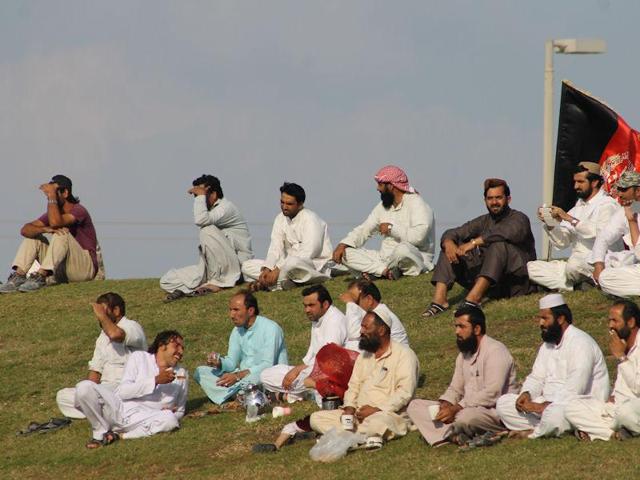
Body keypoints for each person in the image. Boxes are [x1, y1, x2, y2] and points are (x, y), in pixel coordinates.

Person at [496, 294, 609, 439]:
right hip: (545, 406)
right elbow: (537, 377)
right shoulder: (547, 346)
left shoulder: (581, 343)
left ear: (560, 319)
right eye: (540, 318)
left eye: (545, 318)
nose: (540, 323)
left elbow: (575, 389)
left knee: (554, 414)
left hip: (576, 405)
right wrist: (526, 394)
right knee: (504, 404)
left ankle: (532, 433)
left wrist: (542, 407)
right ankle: (544, 429)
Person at [422, 178, 536, 317]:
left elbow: (503, 233)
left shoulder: (519, 218)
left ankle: (473, 300)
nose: (494, 202)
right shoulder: (483, 221)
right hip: (492, 284)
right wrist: (448, 243)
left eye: (498, 198)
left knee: (498, 246)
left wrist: (473, 243)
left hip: (514, 283)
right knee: (451, 246)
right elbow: (455, 232)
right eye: (490, 198)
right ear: (485, 200)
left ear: (508, 199)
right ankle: (439, 301)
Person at [407, 306, 517, 446]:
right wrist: (446, 404)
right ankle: (453, 436)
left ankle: (450, 433)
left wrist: (457, 408)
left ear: (477, 329)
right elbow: (455, 388)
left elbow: (493, 393)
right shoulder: (463, 355)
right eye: (456, 326)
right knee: (415, 406)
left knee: (466, 418)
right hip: (463, 408)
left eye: (461, 327)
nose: (457, 331)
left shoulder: (495, 351)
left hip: (492, 412)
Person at [309, 311, 419, 449]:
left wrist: (376, 409)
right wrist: (349, 408)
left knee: (378, 423)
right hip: (358, 416)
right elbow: (353, 386)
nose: (361, 331)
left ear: (381, 330)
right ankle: (358, 437)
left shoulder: (405, 355)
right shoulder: (364, 356)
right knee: (315, 418)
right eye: (362, 327)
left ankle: (345, 437)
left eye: (366, 327)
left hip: (387, 414)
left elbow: (405, 392)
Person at [75, 330, 188, 448]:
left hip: (145, 418)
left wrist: (169, 412)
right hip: (119, 409)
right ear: (161, 345)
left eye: (182, 348)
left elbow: (180, 411)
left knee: (170, 420)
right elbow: (123, 392)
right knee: (84, 387)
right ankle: (100, 432)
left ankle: (120, 436)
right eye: (176, 346)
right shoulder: (139, 358)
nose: (180, 352)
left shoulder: (181, 374)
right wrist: (155, 381)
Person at [527, 162, 621, 291]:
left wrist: (569, 219)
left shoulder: (607, 205)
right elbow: (562, 242)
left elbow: (601, 234)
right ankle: (577, 285)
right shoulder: (577, 208)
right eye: (575, 182)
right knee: (532, 267)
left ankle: (576, 282)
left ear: (594, 183)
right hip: (577, 263)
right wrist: (550, 223)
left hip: (602, 261)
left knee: (574, 266)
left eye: (581, 182)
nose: (576, 186)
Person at [0, 175, 101, 293]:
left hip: (84, 269)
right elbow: (25, 230)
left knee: (62, 233)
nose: (49, 196)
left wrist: (52, 196)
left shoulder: (79, 210)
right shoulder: (53, 213)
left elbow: (56, 223)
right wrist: (44, 229)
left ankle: (41, 276)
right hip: (62, 270)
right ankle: (18, 276)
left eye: (54, 192)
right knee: (33, 236)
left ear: (65, 193)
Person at [160, 174, 253, 302]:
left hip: (235, 265)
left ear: (213, 194)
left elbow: (201, 220)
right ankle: (195, 289)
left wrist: (200, 197)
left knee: (206, 229)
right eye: (196, 196)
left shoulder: (226, 208)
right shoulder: (210, 211)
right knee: (167, 280)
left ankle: (216, 284)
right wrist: (201, 196)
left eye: (201, 195)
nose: (197, 199)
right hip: (212, 268)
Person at [332, 165, 435, 280]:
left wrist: (391, 229)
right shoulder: (383, 207)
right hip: (385, 259)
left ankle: (377, 272)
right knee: (346, 254)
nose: (377, 188)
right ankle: (385, 272)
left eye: (380, 184)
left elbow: (418, 237)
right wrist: (343, 244)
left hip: (415, 256)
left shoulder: (417, 204)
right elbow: (364, 229)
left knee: (402, 250)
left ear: (391, 186)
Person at [56, 293, 147, 419]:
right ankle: (102, 410)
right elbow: (95, 372)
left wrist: (101, 315)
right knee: (63, 396)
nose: (99, 317)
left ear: (116, 310)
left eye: (103, 311)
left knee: (98, 397)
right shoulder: (101, 338)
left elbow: (116, 335)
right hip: (104, 391)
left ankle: (102, 411)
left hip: (126, 388)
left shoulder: (132, 326)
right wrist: (86, 392)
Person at [193, 291, 288, 404]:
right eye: (230, 310)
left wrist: (238, 376)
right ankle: (243, 395)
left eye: (236, 310)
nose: (231, 315)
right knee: (201, 372)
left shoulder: (271, 328)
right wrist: (219, 363)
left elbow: (268, 364)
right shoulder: (237, 331)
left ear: (251, 311)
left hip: (265, 375)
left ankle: (240, 395)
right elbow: (232, 362)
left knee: (255, 378)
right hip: (242, 376)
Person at [565, 300, 640, 441]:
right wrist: (613, 397)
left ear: (630, 322)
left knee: (626, 412)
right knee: (572, 406)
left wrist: (622, 358)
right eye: (609, 321)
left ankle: (596, 430)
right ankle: (613, 434)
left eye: (615, 321)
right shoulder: (624, 345)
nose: (610, 326)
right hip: (617, 407)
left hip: (633, 407)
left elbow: (638, 388)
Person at [260, 284, 348, 402]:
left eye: (311, 305)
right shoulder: (318, 317)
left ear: (325, 304)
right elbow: (312, 355)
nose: (307, 310)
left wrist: (297, 370)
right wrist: (298, 370)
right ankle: (302, 393)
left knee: (303, 379)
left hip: (330, 373)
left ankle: (294, 394)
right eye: (305, 306)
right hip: (312, 369)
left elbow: (328, 359)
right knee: (265, 375)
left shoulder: (335, 321)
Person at [241, 182, 334, 291]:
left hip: (313, 266)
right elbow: (275, 247)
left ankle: (268, 285)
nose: (284, 207)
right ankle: (281, 283)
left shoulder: (310, 219)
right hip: (285, 268)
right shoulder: (280, 219)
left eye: (289, 204)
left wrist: (279, 269)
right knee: (247, 266)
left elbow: (308, 253)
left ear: (300, 204)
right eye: (282, 202)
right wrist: (268, 268)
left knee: (292, 264)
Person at [593, 171, 640, 297]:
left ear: (638, 191)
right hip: (636, 265)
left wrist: (632, 222)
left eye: (623, 189)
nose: (619, 194)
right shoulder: (626, 209)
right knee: (604, 274)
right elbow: (603, 237)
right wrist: (598, 264)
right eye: (618, 189)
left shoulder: (629, 212)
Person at [340, 279, 409, 349]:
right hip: (387, 351)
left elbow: (354, 333)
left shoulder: (380, 313)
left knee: (353, 344)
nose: (355, 306)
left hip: (396, 355)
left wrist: (350, 304)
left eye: (355, 301)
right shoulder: (373, 312)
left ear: (369, 299)